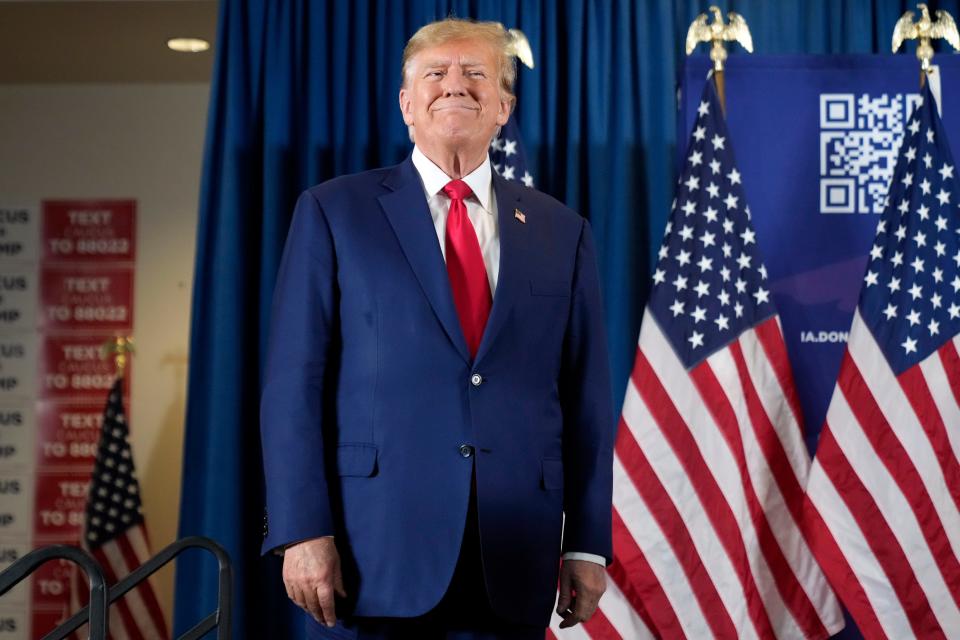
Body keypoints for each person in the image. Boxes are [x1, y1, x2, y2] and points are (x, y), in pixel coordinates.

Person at [260, 17, 614, 640]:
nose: (456, 85)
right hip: (376, 552)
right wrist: (301, 529)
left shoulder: (564, 231)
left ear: (504, 105)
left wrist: (587, 544)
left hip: (516, 553)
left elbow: (585, 397)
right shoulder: (333, 211)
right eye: (436, 74)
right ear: (406, 104)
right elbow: (294, 385)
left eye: (477, 73)